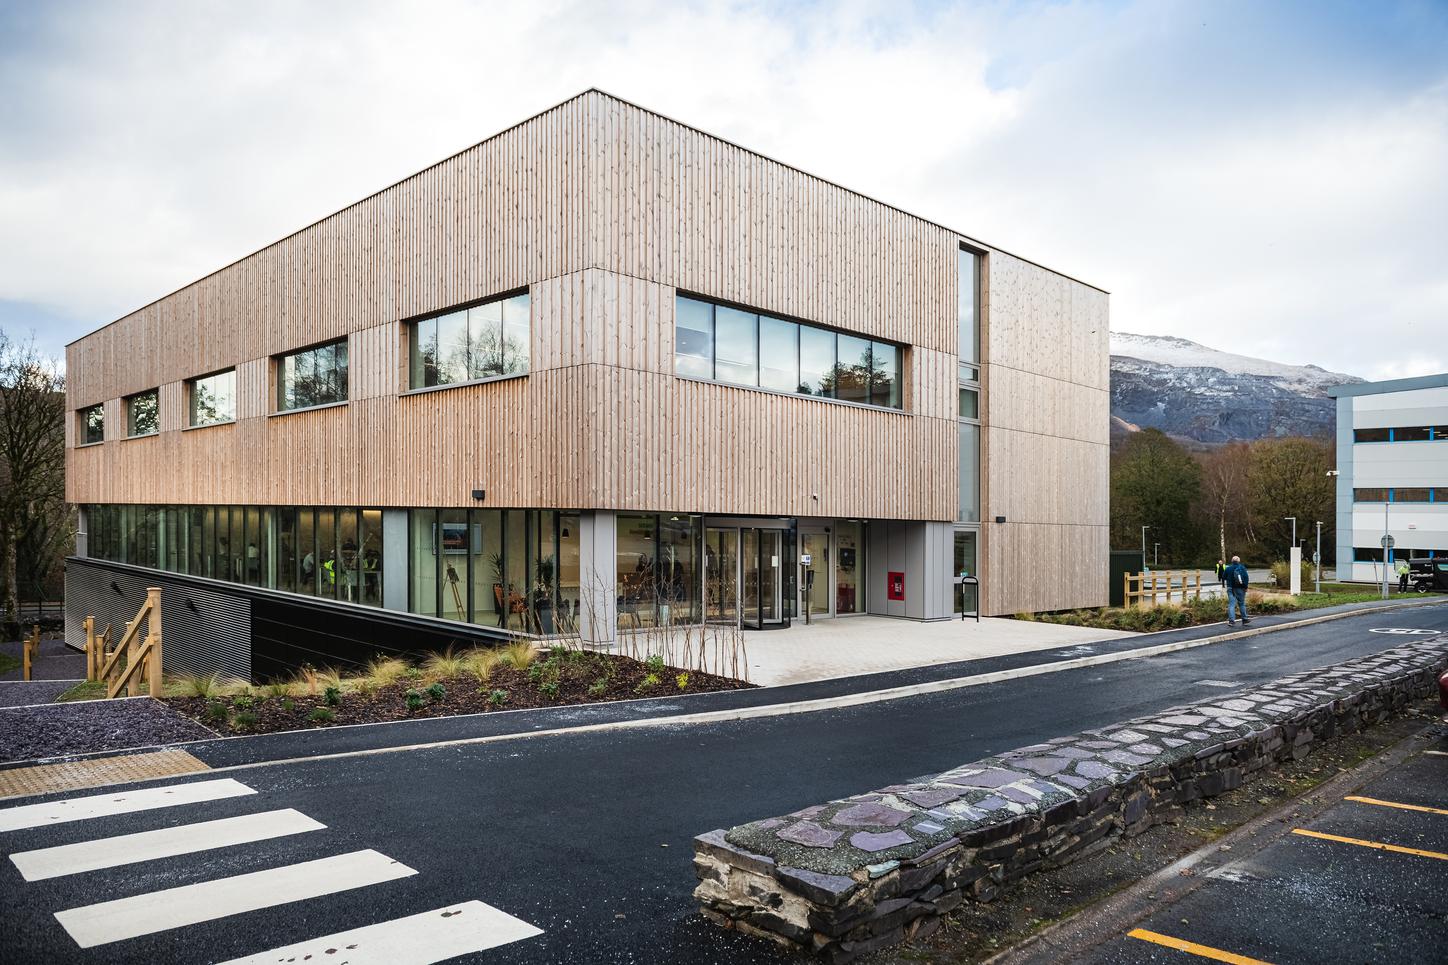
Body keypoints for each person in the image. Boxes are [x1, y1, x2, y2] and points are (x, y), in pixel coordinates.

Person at [1223, 555, 1250, 627]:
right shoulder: (1242, 568)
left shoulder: (1228, 568)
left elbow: (1223, 577)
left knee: (1231, 604)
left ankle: (1231, 621)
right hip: (1240, 588)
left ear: (1232, 561)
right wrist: (1246, 587)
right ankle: (1244, 619)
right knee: (1241, 603)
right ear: (1239, 561)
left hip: (1230, 588)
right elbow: (1246, 578)